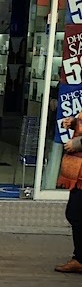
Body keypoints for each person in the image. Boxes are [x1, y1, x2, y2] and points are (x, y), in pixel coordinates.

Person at [54, 110, 82, 273]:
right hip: (78, 175)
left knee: (75, 214)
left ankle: (79, 259)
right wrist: (73, 123)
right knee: (75, 214)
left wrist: (78, 144)